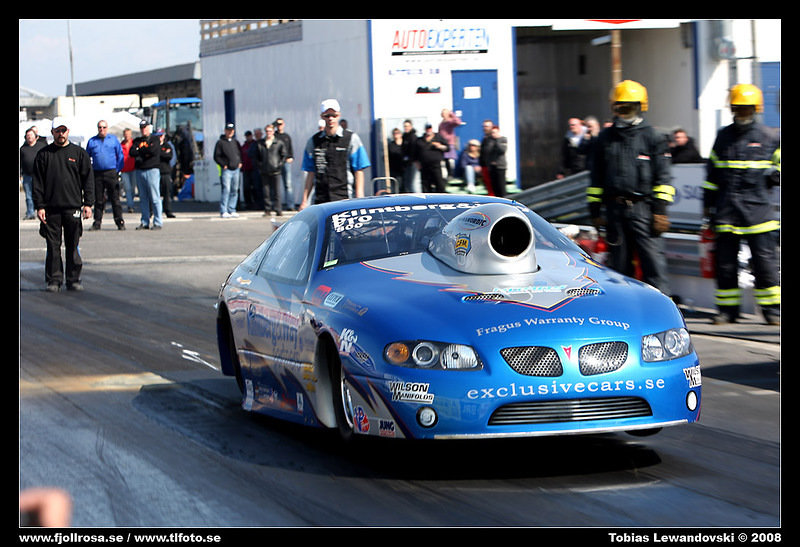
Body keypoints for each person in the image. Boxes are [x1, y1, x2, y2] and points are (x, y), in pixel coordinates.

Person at [587, 80, 675, 296]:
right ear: (614, 108)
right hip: (615, 211)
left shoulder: (653, 137)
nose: (625, 113)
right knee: (619, 269)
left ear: (641, 107)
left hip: (644, 210)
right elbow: (596, 178)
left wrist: (660, 211)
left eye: (630, 108)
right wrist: (595, 212)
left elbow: (663, 177)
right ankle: (625, 307)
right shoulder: (604, 139)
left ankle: (658, 306)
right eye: (621, 108)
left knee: (653, 265)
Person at [704, 84, 781, 325]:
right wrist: (708, 209)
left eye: (747, 109)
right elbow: (712, 177)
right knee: (725, 265)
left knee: (765, 264)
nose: (742, 113)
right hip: (727, 211)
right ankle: (727, 311)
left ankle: (772, 311)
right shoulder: (723, 137)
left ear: (756, 109)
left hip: (758, 212)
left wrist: (775, 174)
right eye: (738, 109)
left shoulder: (770, 137)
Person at [31, 117, 94, 292]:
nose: (61, 134)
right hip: (51, 209)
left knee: (73, 244)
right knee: (53, 246)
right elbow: (37, 183)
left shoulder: (79, 154)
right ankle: (54, 279)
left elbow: (88, 180)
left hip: (73, 207)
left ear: (68, 131)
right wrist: (40, 206)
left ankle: (73, 279)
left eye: (63, 130)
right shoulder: (44, 155)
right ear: (52, 132)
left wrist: (88, 204)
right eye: (58, 131)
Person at [300, 99, 371, 208]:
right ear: (322, 117)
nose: (330, 119)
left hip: (344, 197)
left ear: (339, 115)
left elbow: (359, 169)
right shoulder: (314, 141)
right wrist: (304, 201)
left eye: (334, 115)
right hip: (321, 199)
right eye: (327, 116)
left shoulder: (351, 138)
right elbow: (310, 172)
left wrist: (359, 196)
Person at [85, 120, 125, 230]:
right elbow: (86, 157)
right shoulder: (92, 141)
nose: (102, 129)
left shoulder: (113, 140)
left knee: (115, 199)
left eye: (104, 127)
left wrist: (117, 170)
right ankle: (97, 222)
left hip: (111, 172)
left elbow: (120, 156)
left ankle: (119, 221)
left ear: (107, 128)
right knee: (98, 200)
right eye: (100, 127)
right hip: (97, 173)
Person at [129, 121, 163, 230]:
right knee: (143, 198)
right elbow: (132, 152)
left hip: (152, 170)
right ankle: (145, 221)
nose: (143, 130)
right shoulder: (137, 141)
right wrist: (144, 151)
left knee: (154, 197)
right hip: (140, 171)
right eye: (141, 128)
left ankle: (158, 222)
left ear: (149, 128)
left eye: (145, 127)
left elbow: (153, 151)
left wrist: (140, 151)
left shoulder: (154, 139)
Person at [255, 123, 287, 216]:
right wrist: (260, 166)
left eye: (270, 131)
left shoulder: (279, 142)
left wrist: (279, 165)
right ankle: (267, 209)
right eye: (267, 131)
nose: (268, 133)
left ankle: (278, 209)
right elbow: (256, 157)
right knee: (266, 191)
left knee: (277, 191)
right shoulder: (260, 143)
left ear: (273, 131)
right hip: (264, 170)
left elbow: (283, 155)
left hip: (276, 170)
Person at [213, 123, 242, 218]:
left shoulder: (235, 142)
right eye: (228, 130)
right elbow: (216, 156)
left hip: (236, 169)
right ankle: (224, 210)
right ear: (225, 131)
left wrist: (240, 162)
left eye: (231, 131)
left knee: (235, 190)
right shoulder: (220, 142)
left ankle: (232, 209)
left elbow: (239, 153)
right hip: (227, 170)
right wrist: (223, 164)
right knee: (226, 189)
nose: (230, 132)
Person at [20, 127, 48, 220]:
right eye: (27, 136)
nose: (29, 137)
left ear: (36, 137)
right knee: (28, 196)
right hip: (27, 176)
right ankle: (30, 213)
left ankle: (44, 210)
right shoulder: (23, 149)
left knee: (42, 194)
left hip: (40, 175)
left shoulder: (41, 147)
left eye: (31, 135)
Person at [415, 124, 449, 193]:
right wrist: (417, 163)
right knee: (425, 184)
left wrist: (440, 146)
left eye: (430, 128)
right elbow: (415, 153)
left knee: (439, 183)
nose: (428, 130)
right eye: (427, 129)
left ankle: (441, 197)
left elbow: (447, 148)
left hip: (436, 165)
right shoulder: (420, 140)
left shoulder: (438, 137)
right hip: (424, 166)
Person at [481, 123, 508, 197]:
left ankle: (504, 199)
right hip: (491, 166)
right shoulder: (489, 140)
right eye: (492, 132)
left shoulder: (503, 139)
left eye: (495, 132)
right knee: (494, 186)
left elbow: (502, 150)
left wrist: (497, 141)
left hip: (500, 166)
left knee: (501, 186)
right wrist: (492, 142)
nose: (493, 134)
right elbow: (487, 151)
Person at [274, 118, 295, 210]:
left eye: (281, 124)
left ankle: (290, 205)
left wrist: (291, 157)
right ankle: (276, 205)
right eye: (277, 124)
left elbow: (290, 148)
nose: (279, 126)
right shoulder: (274, 136)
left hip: (286, 162)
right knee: (275, 185)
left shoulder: (286, 136)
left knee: (288, 184)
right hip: (276, 162)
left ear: (284, 124)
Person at [438, 108, 462, 178]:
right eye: (442, 113)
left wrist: (452, 115)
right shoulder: (441, 123)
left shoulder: (450, 122)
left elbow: (458, 122)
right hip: (443, 144)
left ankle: (451, 174)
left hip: (449, 143)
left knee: (450, 159)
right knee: (445, 159)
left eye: (445, 113)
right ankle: (447, 175)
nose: (443, 115)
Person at [157, 131, 175, 218]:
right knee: (154, 193)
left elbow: (169, 156)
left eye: (161, 136)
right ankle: (152, 211)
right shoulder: (154, 145)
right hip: (156, 171)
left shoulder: (167, 146)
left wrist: (160, 153)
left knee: (167, 192)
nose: (160, 137)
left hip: (165, 171)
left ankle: (168, 210)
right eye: (158, 136)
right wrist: (163, 153)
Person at [240, 130, 260, 210]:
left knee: (255, 187)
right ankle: (248, 203)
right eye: (247, 136)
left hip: (254, 169)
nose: (248, 137)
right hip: (246, 169)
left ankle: (256, 203)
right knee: (246, 187)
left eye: (249, 136)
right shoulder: (243, 146)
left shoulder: (255, 144)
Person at [119, 128, 136, 212]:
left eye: (128, 134)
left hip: (134, 168)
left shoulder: (134, 144)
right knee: (127, 188)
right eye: (125, 134)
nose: (127, 136)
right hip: (124, 170)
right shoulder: (120, 145)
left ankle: (131, 201)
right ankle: (130, 205)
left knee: (133, 188)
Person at [401, 120, 419, 193]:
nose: (406, 128)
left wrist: (412, 160)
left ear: (411, 127)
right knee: (407, 183)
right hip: (406, 163)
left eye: (407, 126)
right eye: (405, 126)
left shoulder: (413, 137)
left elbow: (414, 151)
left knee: (412, 183)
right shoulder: (404, 137)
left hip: (413, 163)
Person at [386, 127, 405, 194]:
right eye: (394, 133)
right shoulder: (391, 145)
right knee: (396, 187)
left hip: (405, 169)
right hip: (394, 169)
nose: (396, 134)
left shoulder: (405, 144)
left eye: (397, 133)